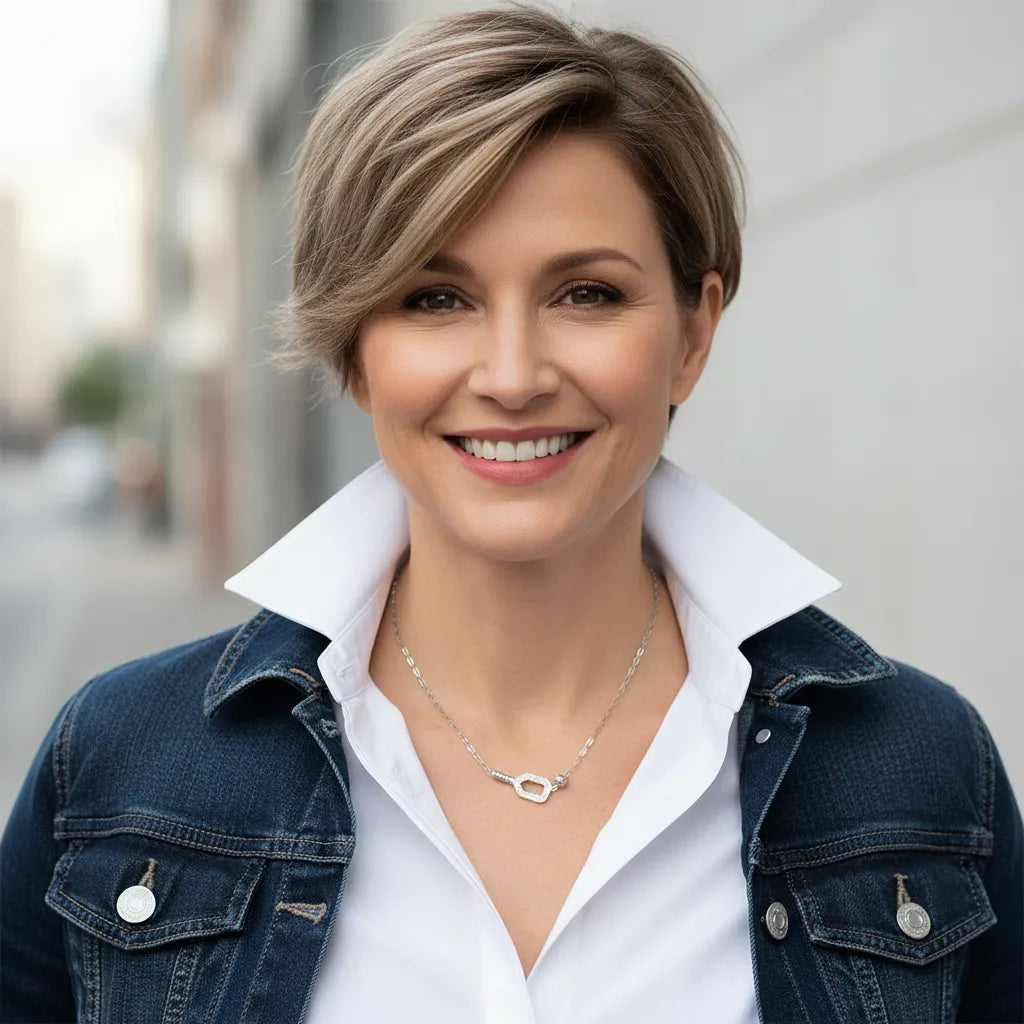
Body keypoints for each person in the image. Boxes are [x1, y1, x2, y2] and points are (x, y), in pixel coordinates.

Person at [2, 3, 1021, 1022]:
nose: (511, 375)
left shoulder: (919, 776)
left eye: (585, 293)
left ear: (694, 330)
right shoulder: (117, 768)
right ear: (355, 348)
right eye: (434, 299)